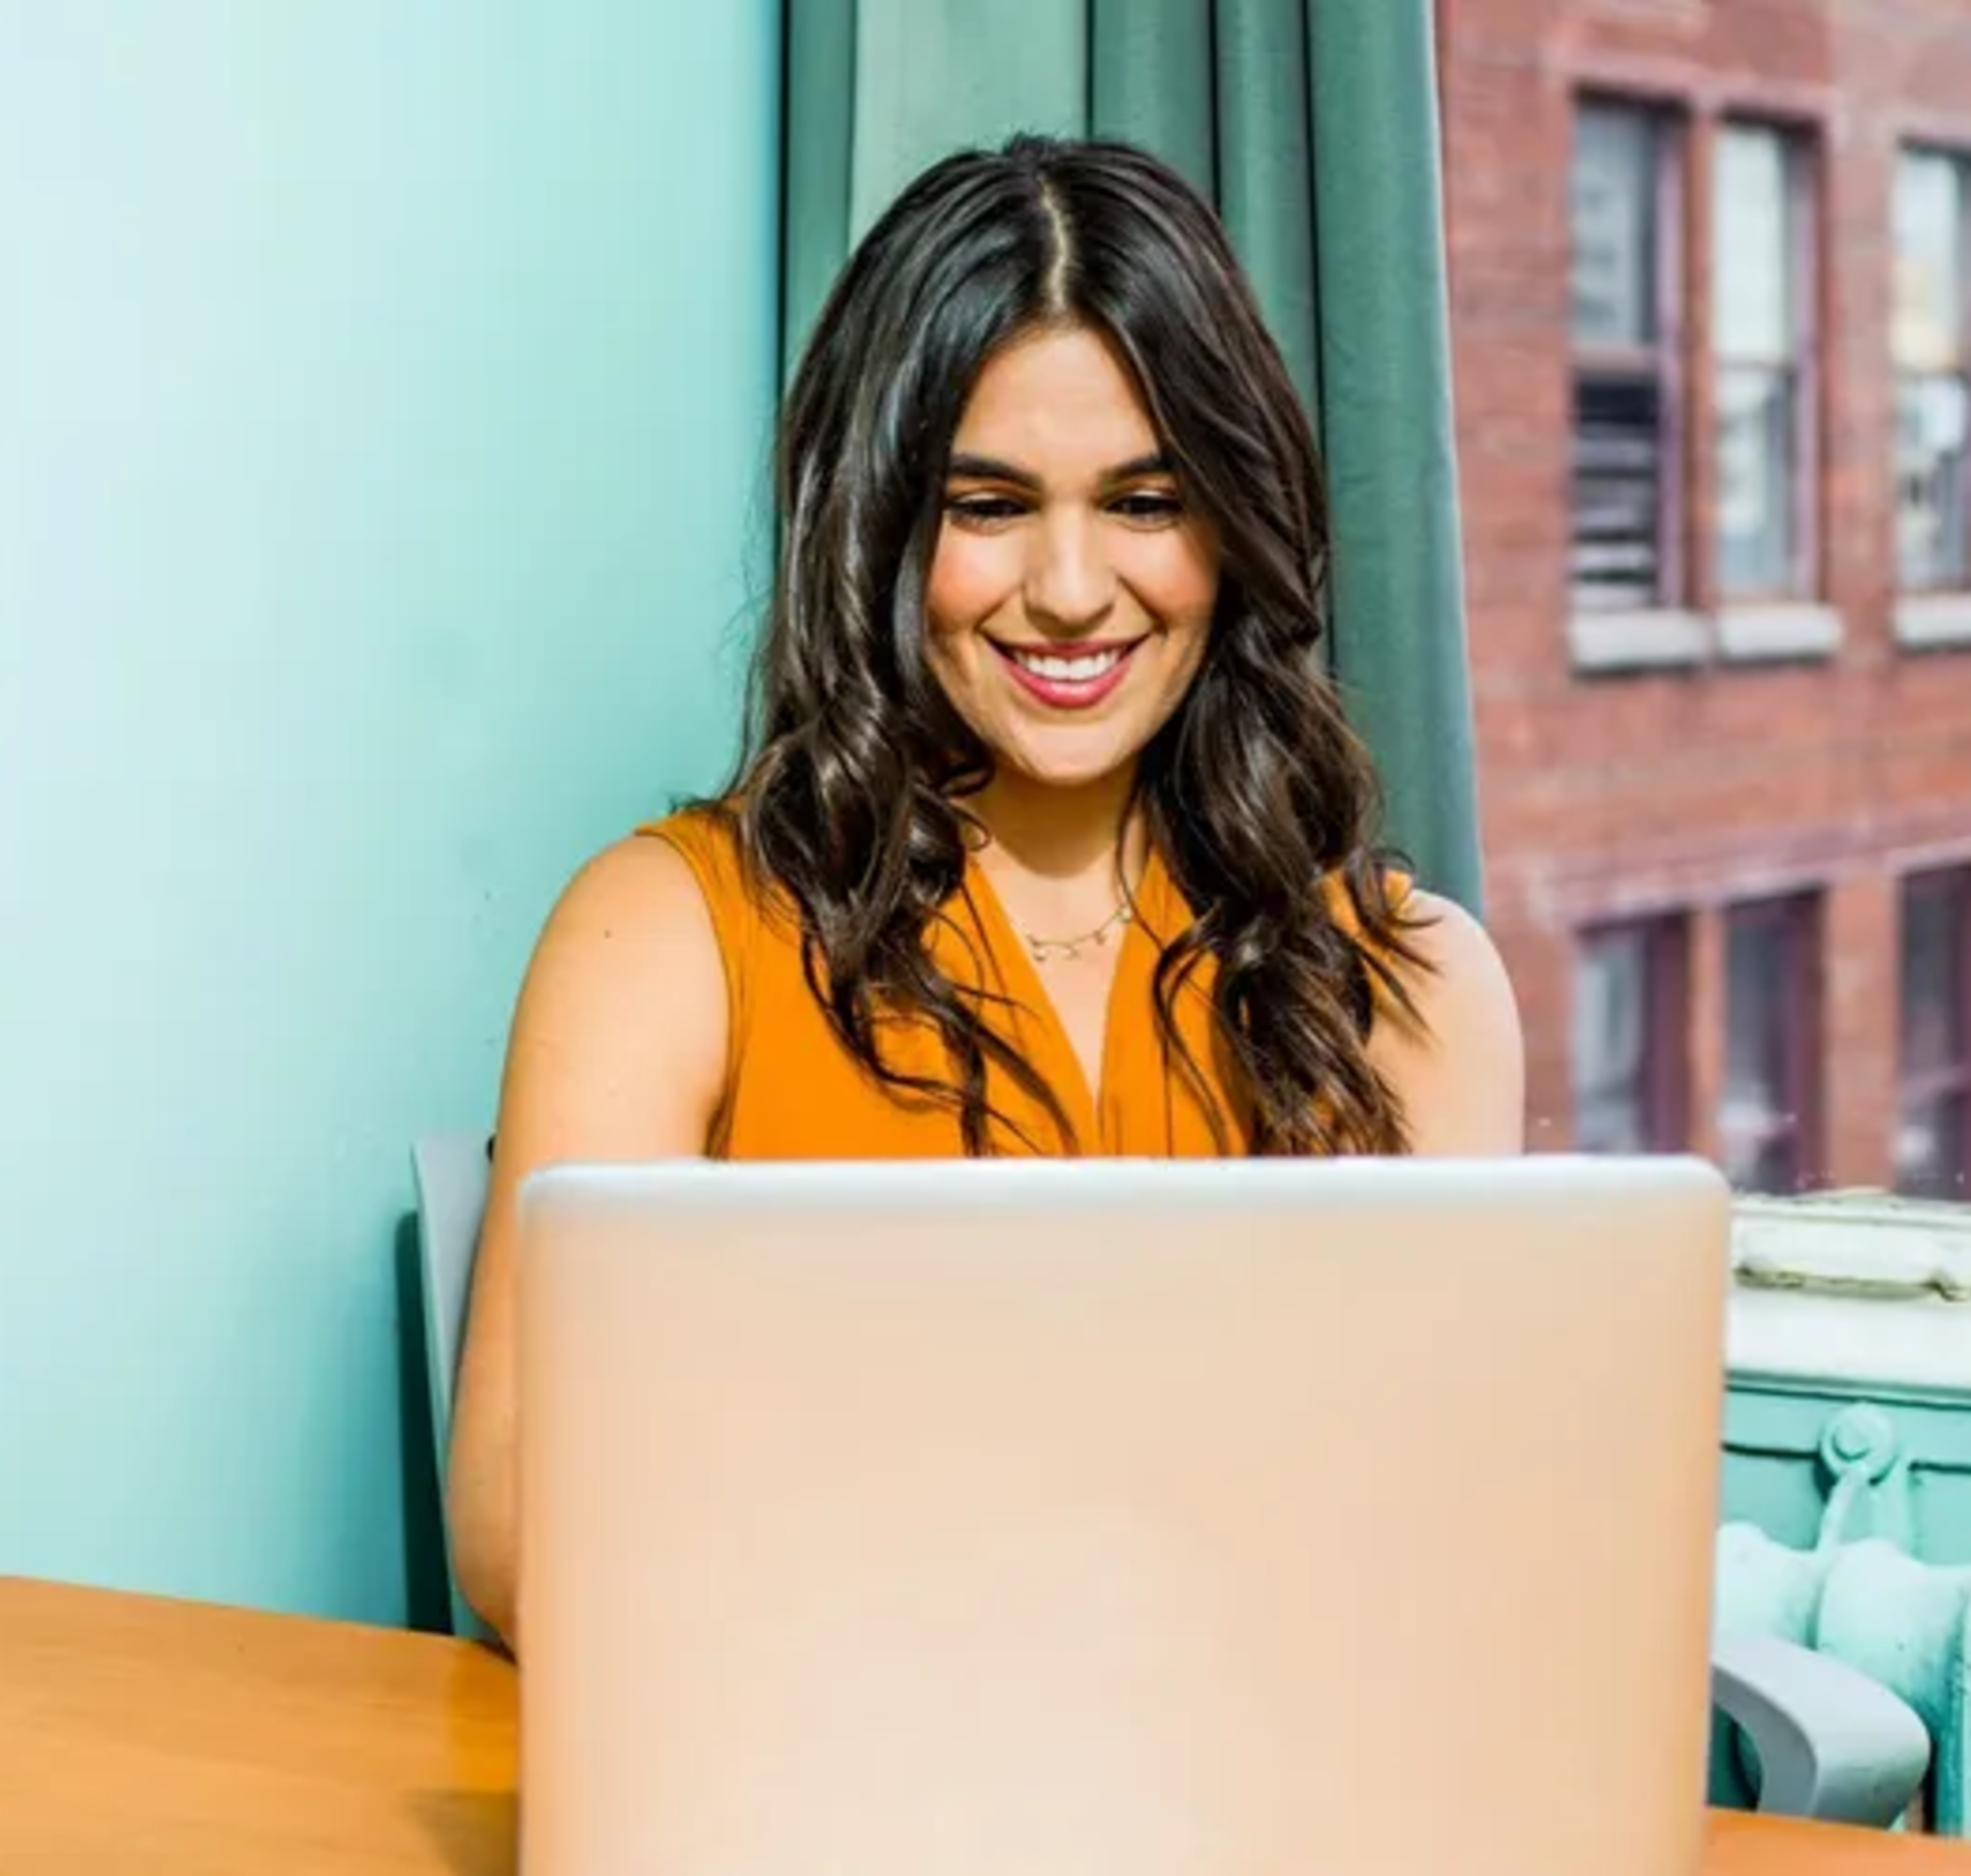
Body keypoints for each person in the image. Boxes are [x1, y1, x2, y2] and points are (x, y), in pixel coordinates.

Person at [443, 136, 1524, 1645]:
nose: (1074, 590)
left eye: (1147, 502)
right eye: (989, 504)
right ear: (881, 526)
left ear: (1234, 524)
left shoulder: (1412, 982)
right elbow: (517, 1541)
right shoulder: (661, 939)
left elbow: (1456, 1536)